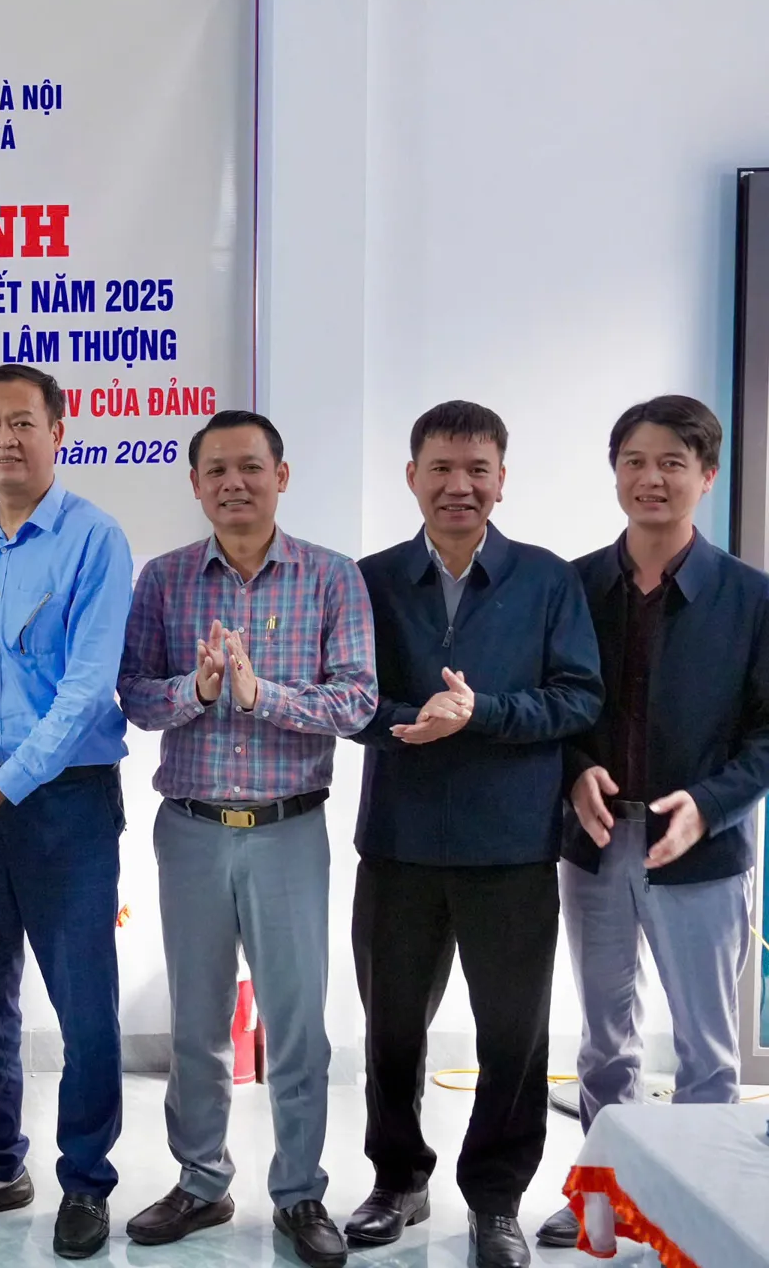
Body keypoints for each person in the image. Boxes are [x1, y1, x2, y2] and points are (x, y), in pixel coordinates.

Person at [344, 401, 603, 1268]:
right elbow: (349, 698)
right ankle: (397, 1179)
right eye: (441, 469)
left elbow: (578, 697)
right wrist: (411, 719)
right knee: (390, 1030)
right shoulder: (372, 579)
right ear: (411, 476)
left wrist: (480, 712)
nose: (459, 485)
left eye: (477, 469)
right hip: (399, 843)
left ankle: (497, 1201)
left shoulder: (546, 579)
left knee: (512, 1037)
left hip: (511, 848)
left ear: (501, 479)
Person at [118, 410, 374, 1268]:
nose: (234, 482)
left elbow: (358, 699)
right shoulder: (163, 579)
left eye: (251, 467)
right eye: (217, 470)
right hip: (191, 829)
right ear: (195, 485)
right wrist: (195, 689)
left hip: (287, 829)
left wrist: (265, 696)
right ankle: (201, 1181)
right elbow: (133, 694)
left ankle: (299, 1192)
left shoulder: (331, 577)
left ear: (281, 476)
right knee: (197, 1024)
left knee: (296, 1026)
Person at [535, 396, 769, 1249]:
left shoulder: (750, 596)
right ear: (615, 473)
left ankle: (701, 1212)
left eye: (673, 462)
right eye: (635, 460)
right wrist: (574, 772)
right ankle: (602, 1200)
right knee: (605, 1042)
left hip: (698, 845)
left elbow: (766, 734)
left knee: (707, 1050)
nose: (652, 478)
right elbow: (548, 705)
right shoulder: (572, 585)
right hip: (596, 841)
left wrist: (709, 804)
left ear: (708, 475)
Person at [0, 363, 135, 1261]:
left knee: (84, 1003)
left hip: (64, 798)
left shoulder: (96, 538)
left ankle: (86, 1178)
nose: (4, 438)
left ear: (58, 432)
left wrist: (6, 783)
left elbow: (86, 690)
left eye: (22, 423)